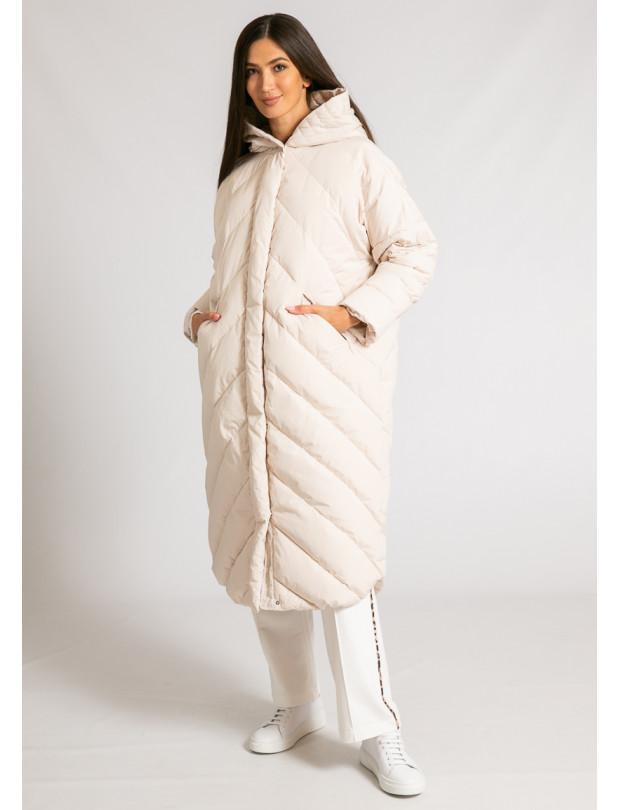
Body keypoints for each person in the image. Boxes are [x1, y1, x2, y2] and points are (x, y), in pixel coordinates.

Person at [183, 13, 438, 797]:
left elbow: (414, 252)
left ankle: (378, 731)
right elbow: (233, 277)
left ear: (307, 72)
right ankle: (296, 705)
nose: (263, 84)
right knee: (265, 552)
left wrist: (348, 313)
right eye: (251, 71)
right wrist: (203, 317)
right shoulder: (240, 178)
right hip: (245, 395)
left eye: (278, 68)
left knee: (339, 559)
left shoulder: (358, 160)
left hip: (327, 396)